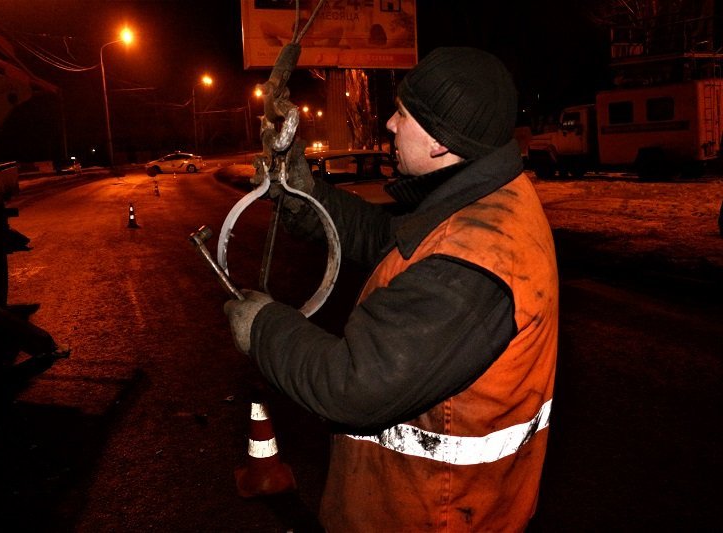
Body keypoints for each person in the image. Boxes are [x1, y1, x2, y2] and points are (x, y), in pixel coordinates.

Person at [224, 47, 559, 532]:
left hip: (432, 515)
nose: (389, 124)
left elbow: (352, 385)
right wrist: (307, 199)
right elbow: (391, 240)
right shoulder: (481, 202)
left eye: (403, 115)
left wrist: (264, 328)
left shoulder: (470, 269)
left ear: (441, 142)